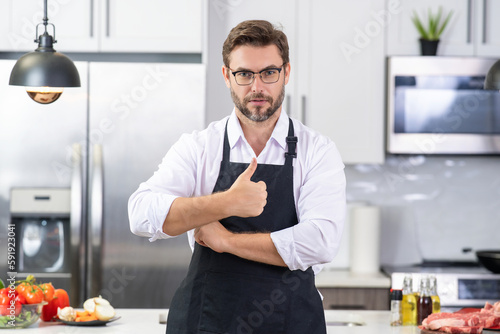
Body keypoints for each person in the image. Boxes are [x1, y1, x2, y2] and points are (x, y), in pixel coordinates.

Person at [128, 20, 346, 334]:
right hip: (206, 319)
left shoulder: (318, 151)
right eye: (244, 74)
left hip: (290, 320)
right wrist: (224, 203)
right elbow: (140, 214)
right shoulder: (200, 146)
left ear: (286, 72)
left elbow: (321, 242)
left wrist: (226, 240)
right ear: (227, 77)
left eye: (268, 72)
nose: (257, 87)